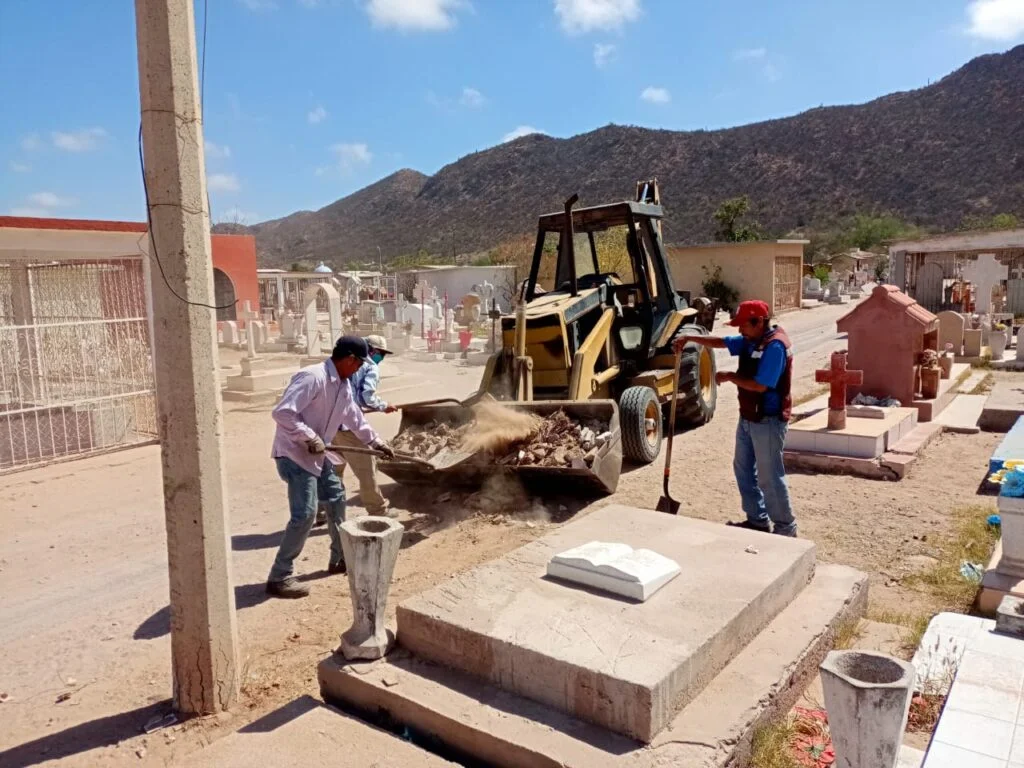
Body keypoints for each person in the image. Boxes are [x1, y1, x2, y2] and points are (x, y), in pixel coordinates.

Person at [267, 335, 395, 599]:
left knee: (337, 499)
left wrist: (377, 443)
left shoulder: (343, 386)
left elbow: (355, 418)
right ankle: (279, 576)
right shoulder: (312, 378)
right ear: (349, 359)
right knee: (305, 514)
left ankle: (338, 559)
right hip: (294, 454)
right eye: (360, 363)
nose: (361, 368)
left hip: (318, 455)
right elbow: (282, 413)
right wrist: (309, 437)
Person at [673, 300, 797, 537]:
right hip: (749, 417)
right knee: (743, 470)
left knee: (769, 477)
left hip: (768, 420)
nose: (740, 331)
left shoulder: (775, 347)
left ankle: (785, 529)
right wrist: (690, 339)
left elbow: (761, 386)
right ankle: (757, 520)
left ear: (759, 322)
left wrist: (730, 376)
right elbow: (722, 342)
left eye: (743, 326)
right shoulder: (753, 340)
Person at [332, 334, 398, 518]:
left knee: (333, 471)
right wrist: (384, 406)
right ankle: (378, 511)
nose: (380, 358)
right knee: (367, 469)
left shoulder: (339, 365)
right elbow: (366, 396)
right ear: (370, 350)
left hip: (329, 427)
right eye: (380, 354)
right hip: (348, 427)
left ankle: (326, 511)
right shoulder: (369, 367)